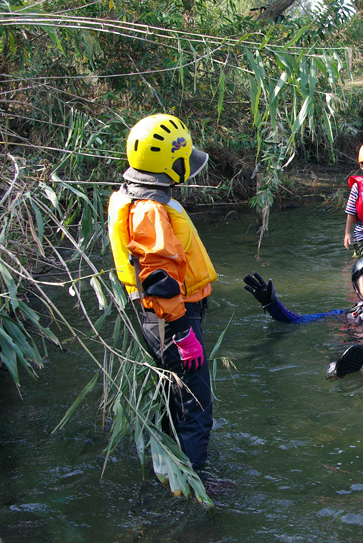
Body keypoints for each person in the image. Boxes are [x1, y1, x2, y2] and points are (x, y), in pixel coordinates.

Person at [106, 114, 215, 471]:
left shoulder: (137, 196)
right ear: (171, 162)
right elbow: (158, 278)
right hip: (172, 320)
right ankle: (194, 484)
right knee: (195, 407)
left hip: (167, 317)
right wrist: (183, 332)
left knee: (178, 398)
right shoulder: (149, 210)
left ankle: (172, 471)